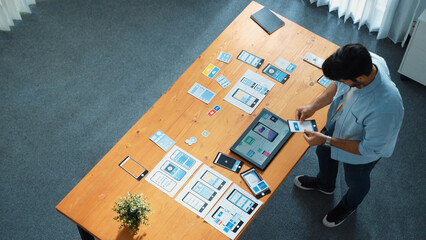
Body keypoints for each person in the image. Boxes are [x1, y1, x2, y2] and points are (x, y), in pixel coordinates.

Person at [293, 43, 404, 227]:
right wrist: (313, 106)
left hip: (363, 150)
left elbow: (368, 147)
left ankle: (349, 205)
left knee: (356, 180)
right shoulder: (368, 61)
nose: (341, 82)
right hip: (340, 125)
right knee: (323, 152)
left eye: (344, 80)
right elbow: (337, 86)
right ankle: (325, 184)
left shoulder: (387, 107)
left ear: (359, 78)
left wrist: (327, 140)